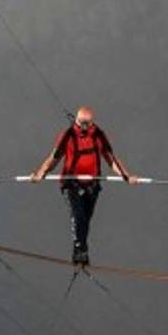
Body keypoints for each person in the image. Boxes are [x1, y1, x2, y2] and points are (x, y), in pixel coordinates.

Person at [31, 106, 138, 265]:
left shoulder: (99, 135)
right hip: (71, 184)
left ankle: (81, 251)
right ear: (76, 121)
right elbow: (53, 159)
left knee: (85, 221)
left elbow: (111, 159)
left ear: (92, 122)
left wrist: (126, 176)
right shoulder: (67, 136)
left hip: (92, 186)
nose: (84, 127)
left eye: (88, 124)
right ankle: (80, 251)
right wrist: (40, 173)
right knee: (79, 217)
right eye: (81, 123)